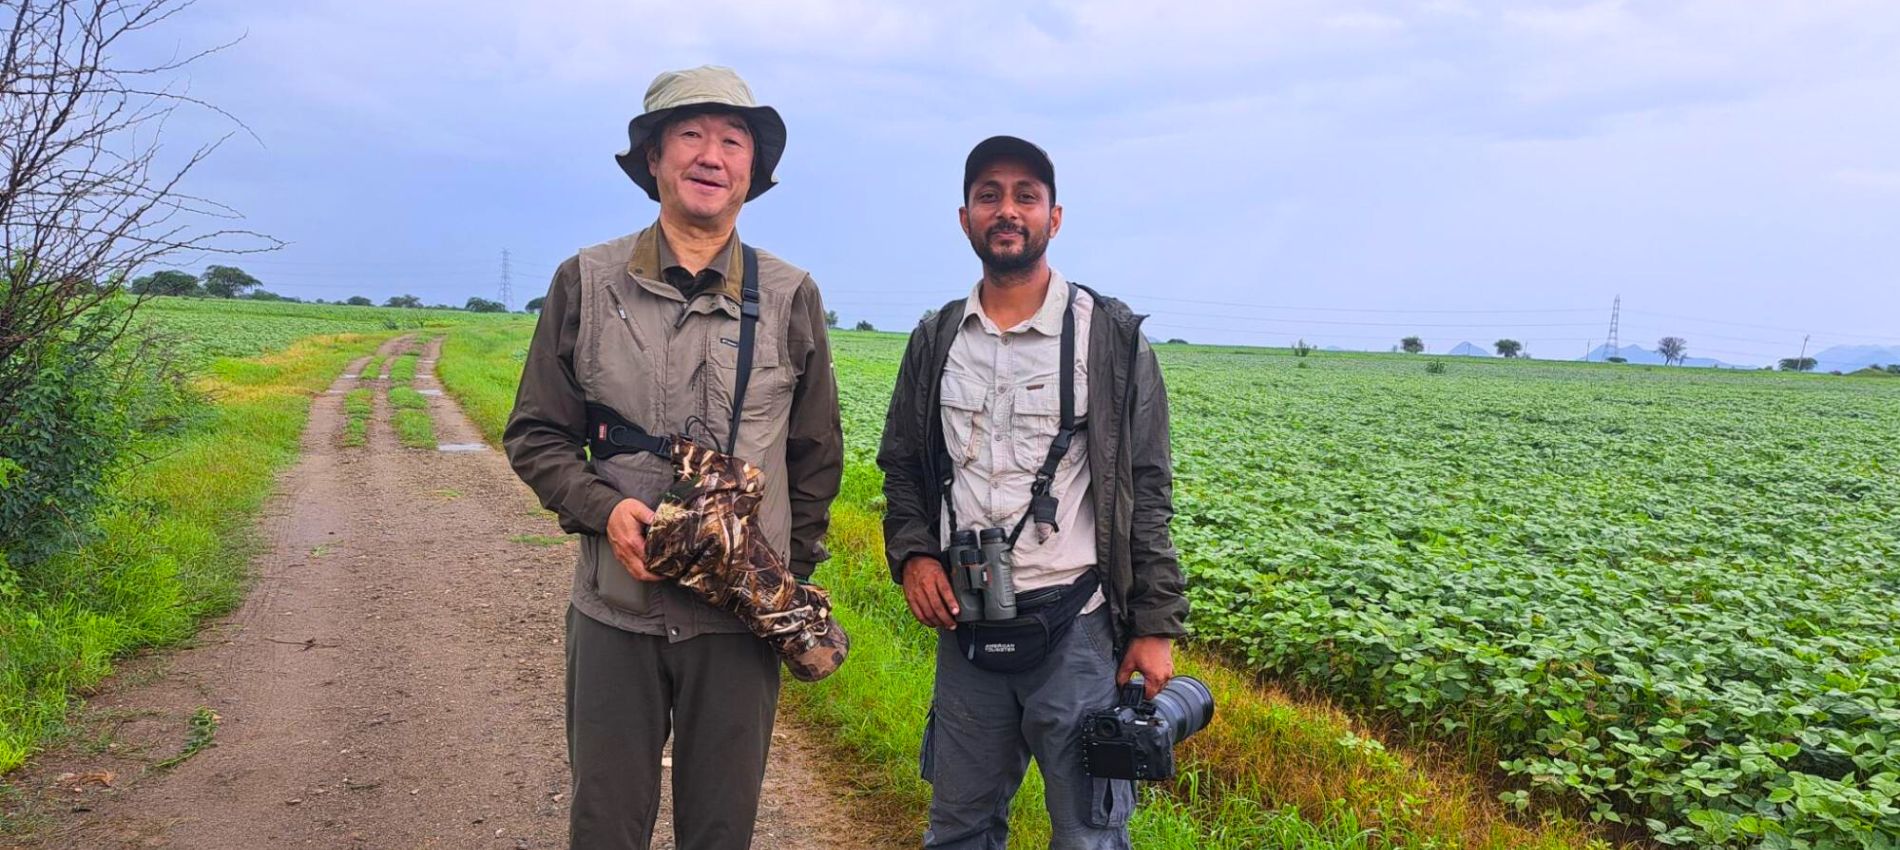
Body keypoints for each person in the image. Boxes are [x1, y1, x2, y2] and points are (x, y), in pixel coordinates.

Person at [504, 65, 843, 850]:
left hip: (736, 625)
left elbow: (815, 454)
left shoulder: (792, 295)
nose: (712, 155)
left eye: (733, 141)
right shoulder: (587, 281)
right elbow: (535, 433)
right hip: (613, 609)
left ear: (752, 171)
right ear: (652, 157)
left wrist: (779, 573)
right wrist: (603, 509)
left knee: (721, 829)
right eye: (690, 134)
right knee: (605, 824)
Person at [876, 136, 1189, 850]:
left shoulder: (1108, 337)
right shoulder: (935, 340)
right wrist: (915, 556)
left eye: (1026, 196)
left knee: (1088, 836)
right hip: (966, 631)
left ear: (1055, 216)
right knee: (958, 828)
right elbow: (902, 467)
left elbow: (1147, 488)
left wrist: (1153, 624)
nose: (1007, 210)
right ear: (965, 218)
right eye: (989, 195)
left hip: (1076, 630)